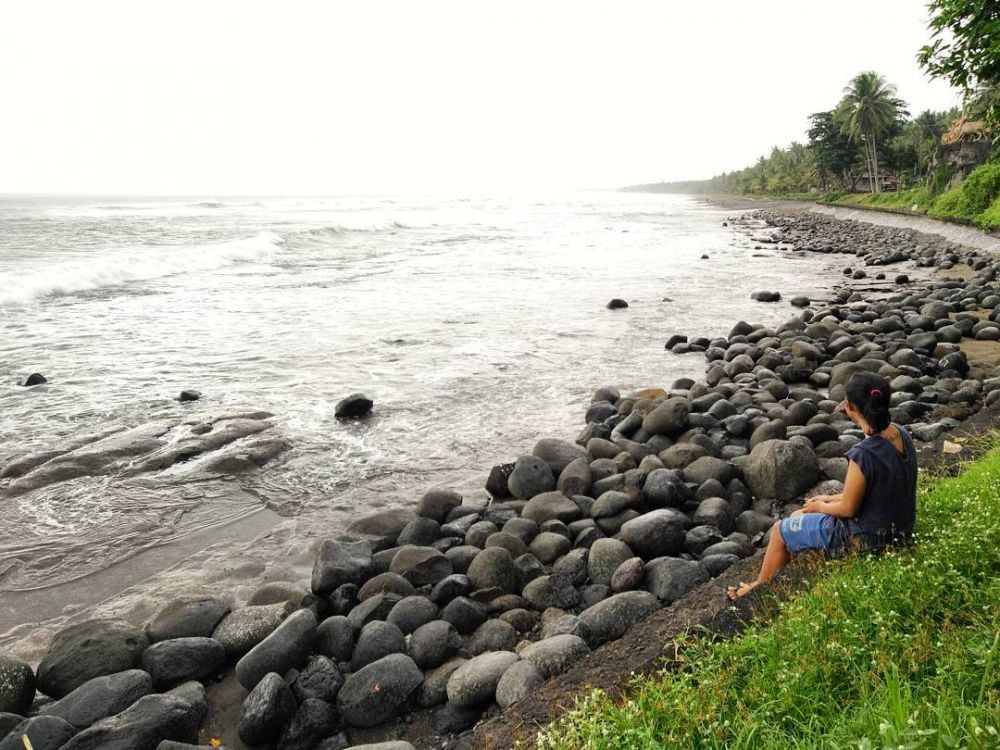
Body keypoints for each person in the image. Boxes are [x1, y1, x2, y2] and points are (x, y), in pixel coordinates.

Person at [727, 371, 917, 600]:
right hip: (900, 529)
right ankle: (782, 570)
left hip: (868, 539)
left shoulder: (863, 454)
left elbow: (848, 509)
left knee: (780, 530)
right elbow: (875, 491)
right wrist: (826, 499)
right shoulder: (901, 434)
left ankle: (758, 592)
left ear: (849, 407)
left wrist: (820, 507)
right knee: (800, 513)